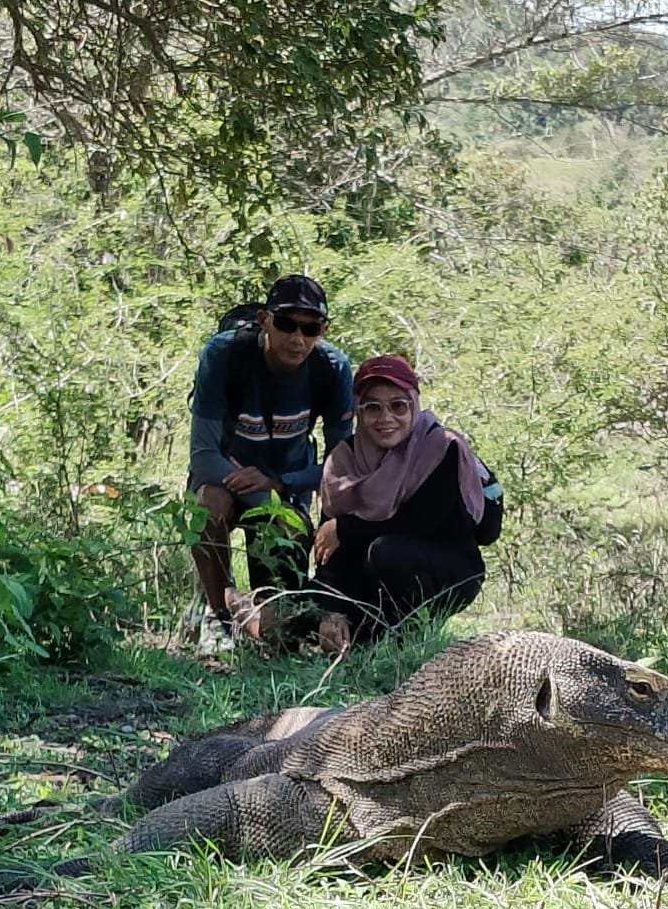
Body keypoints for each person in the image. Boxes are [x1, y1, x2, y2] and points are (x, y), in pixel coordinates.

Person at [187, 274, 354, 656]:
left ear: (323, 329)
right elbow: (203, 455)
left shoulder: (332, 369)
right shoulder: (224, 356)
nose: (298, 338)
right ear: (264, 320)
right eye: (286, 324)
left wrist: (279, 486)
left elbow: (340, 463)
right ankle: (216, 615)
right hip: (226, 479)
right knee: (209, 506)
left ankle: (237, 604)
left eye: (311, 328)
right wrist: (258, 487)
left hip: (285, 489)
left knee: (282, 637)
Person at [312, 354, 501, 653]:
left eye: (398, 406)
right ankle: (365, 638)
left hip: (447, 569)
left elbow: (420, 523)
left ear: (414, 404)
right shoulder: (344, 460)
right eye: (373, 407)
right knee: (304, 620)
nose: (386, 418)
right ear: (359, 409)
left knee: (387, 552)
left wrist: (346, 528)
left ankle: (409, 642)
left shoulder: (440, 448)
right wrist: (330, 611)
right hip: (370, 575)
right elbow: (328, 545)